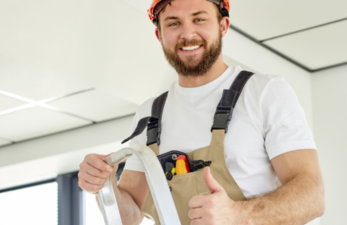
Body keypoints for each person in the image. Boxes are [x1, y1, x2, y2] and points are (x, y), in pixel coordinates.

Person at [78, 0, 325, 224]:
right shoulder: (151, 114)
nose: (187, 34)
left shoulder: (263, 92)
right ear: (159, 35)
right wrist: (103, 183)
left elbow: (311, 197)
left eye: (199, 19)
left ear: (223, 25)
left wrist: (239, 215)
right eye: (173, 23)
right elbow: (128, 216)